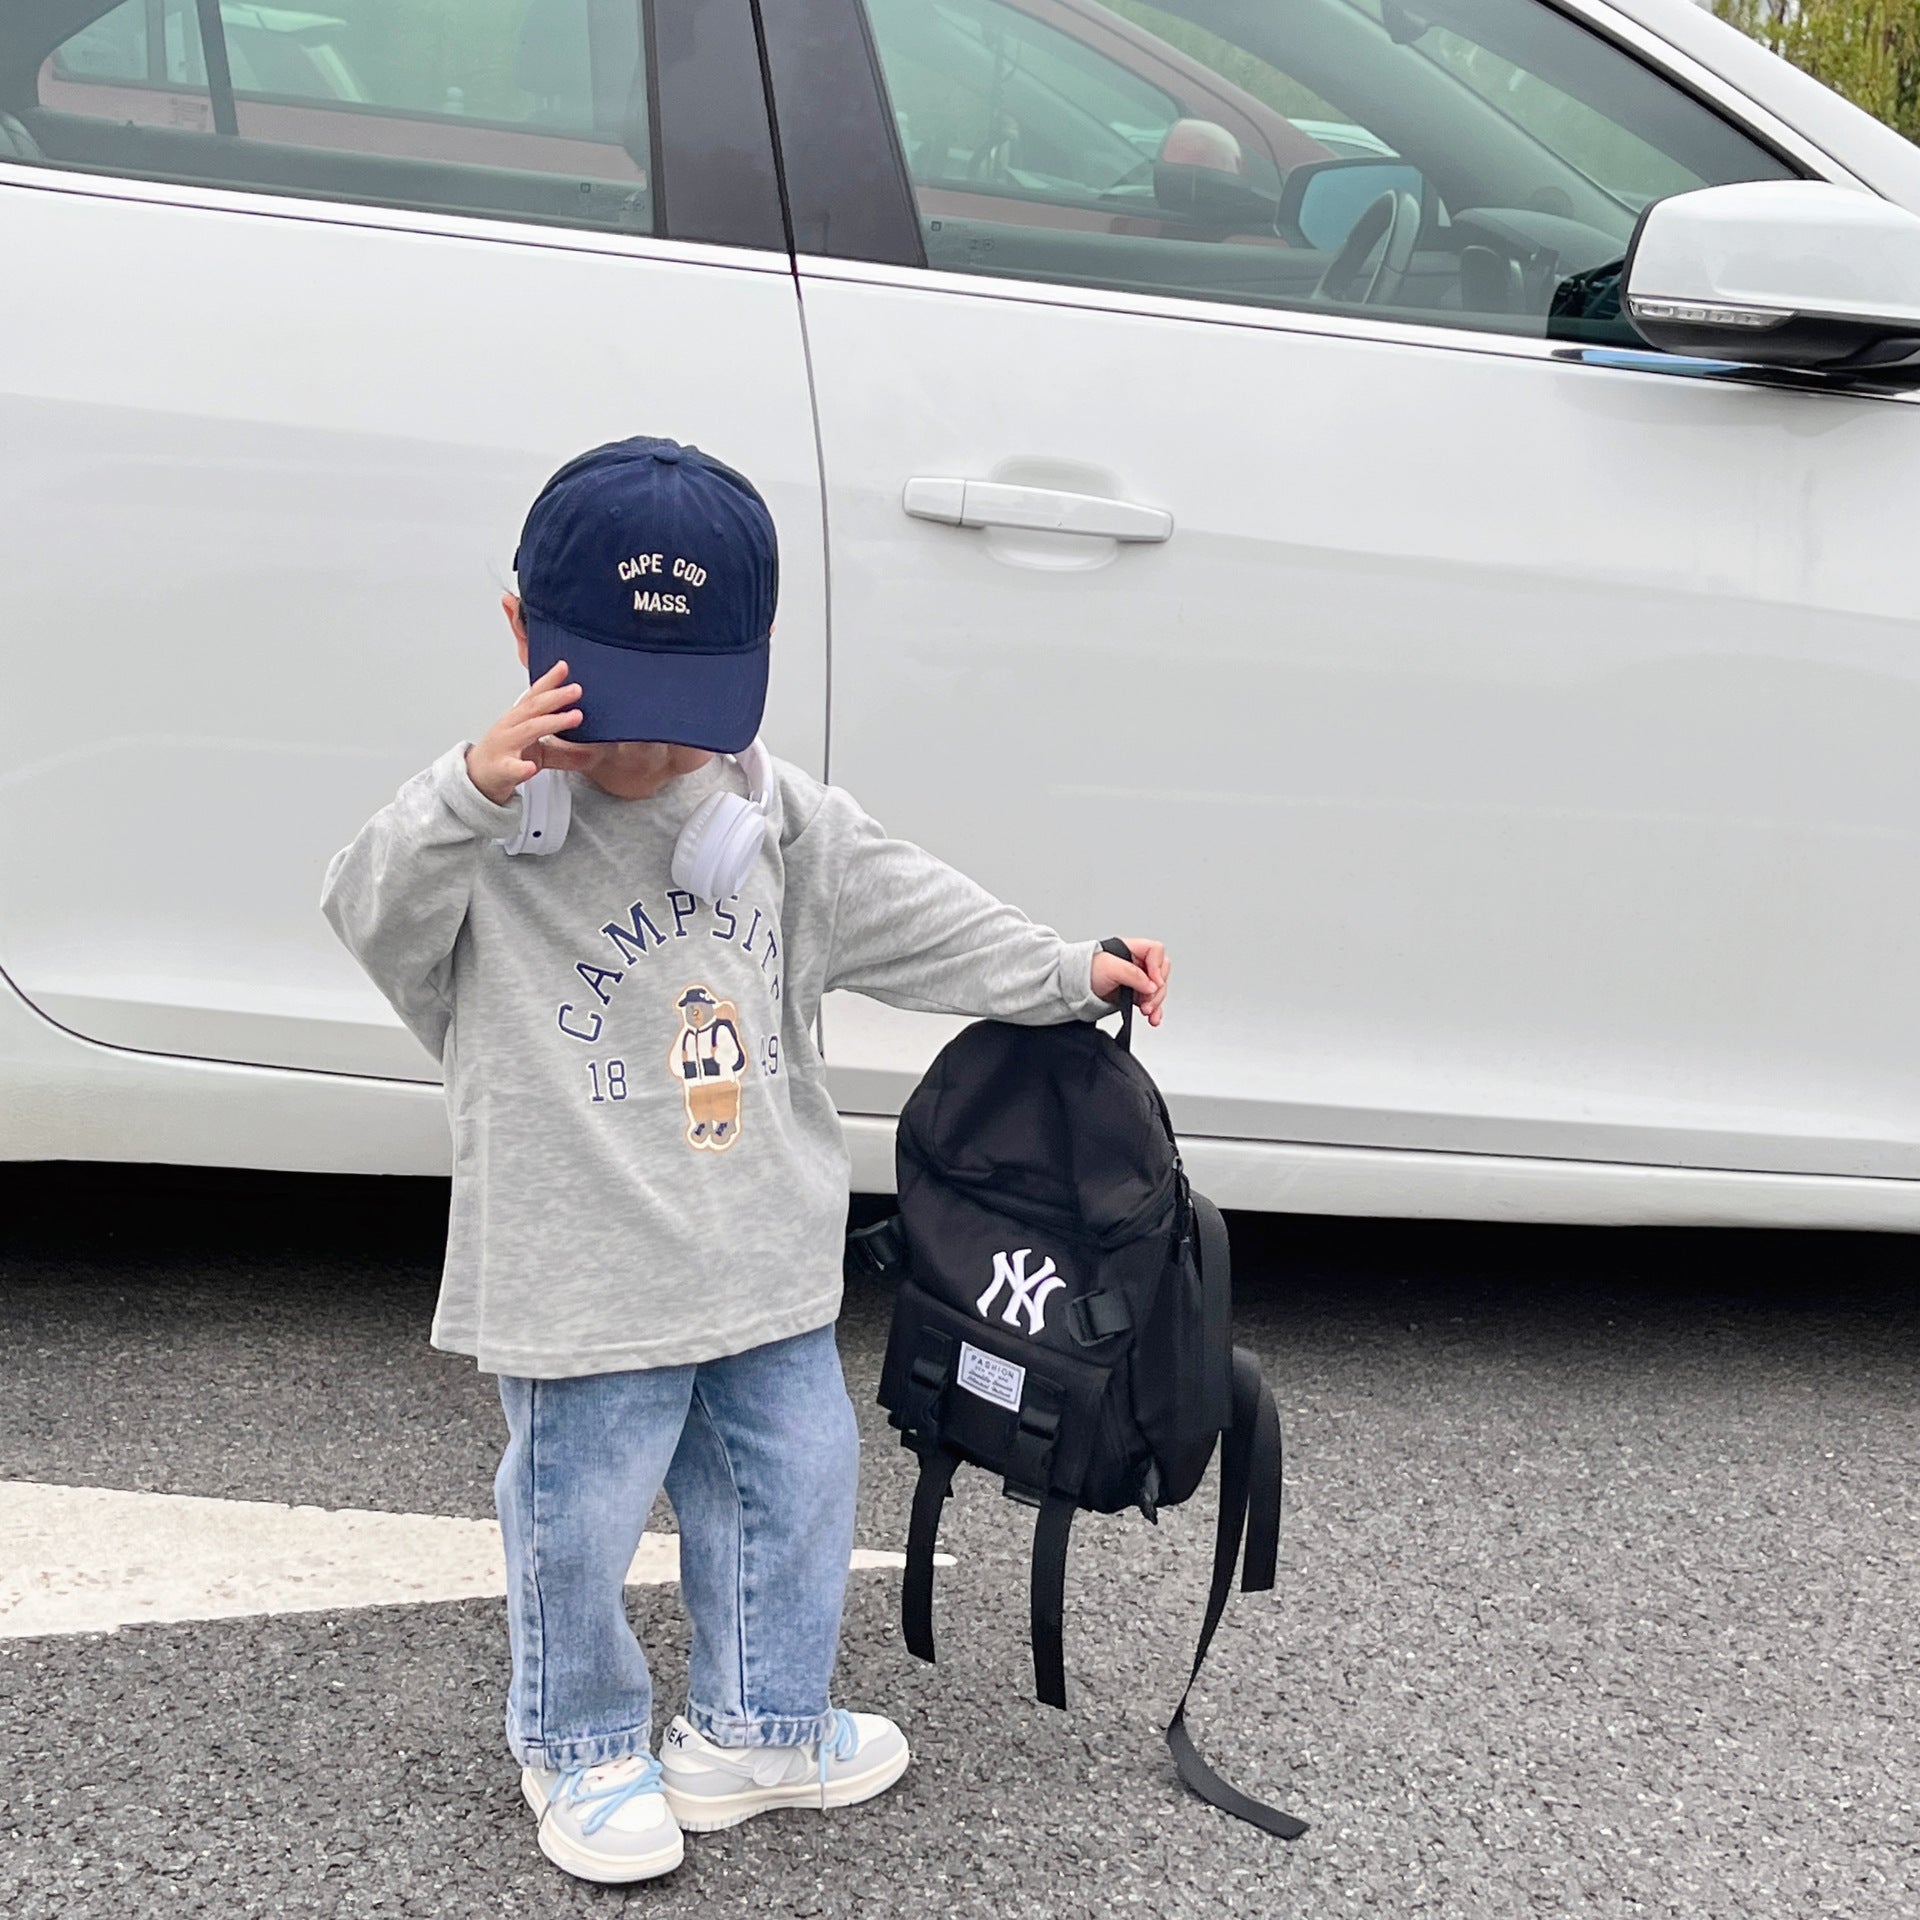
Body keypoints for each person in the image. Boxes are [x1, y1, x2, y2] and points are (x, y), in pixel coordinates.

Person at [320, 436, 1170, 1886]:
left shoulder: (766, 816)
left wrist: (1061, 968)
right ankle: (580, 1747)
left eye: (687, 716)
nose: (650, 758)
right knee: (577, 1514)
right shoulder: (483, 840)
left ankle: (758, 1727)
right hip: (578, 1266)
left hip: (762, 1248)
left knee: (795, 1483)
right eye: (617, 712)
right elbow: (366, 912)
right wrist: (466, 787)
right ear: (525, 636)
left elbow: (915, 912)